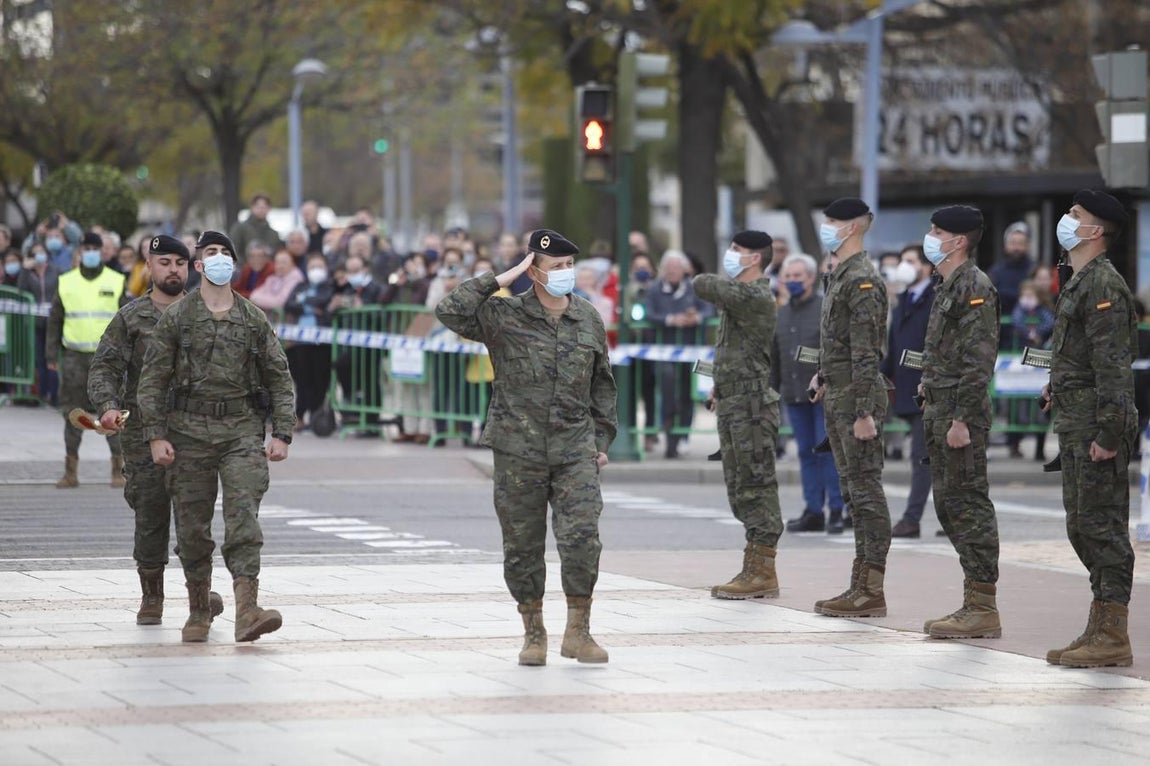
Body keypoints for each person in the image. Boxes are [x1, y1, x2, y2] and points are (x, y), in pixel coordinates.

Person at [435, 228, 617, 666]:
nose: (566, 273)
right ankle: (533, 632)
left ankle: (579, 631)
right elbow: (449, 310)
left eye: (570, 266)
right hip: (519, 447)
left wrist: (602, 438)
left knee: (581, 538)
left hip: (575, 446)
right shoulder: (505, 315)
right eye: (556, 267)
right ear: (534, 271)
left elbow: (603, 384)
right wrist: (502, 276)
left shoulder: (588, 317)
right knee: (522, 544)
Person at [136, 230, 295, 644]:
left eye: (227, 253)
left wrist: (282, 432)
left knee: (243, 516)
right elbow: (152, 381)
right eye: (211, 253)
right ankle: (198, 609)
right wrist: (155, 436)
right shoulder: (178, 317)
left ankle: (247, 610)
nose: (220, 258)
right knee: (192, 527)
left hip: (241, 430)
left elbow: (278, 377)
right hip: (188, 432)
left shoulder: (253, 317)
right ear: (200, 264)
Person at [87, 236, 225, 626]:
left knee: (194, 518)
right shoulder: (131, 318)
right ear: (149, 267)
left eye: (181, 263)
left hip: (196, 432)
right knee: (150, 513)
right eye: (165, 262)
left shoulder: (209, 312)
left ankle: (200, 596)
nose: (173, 270)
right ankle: (152, 597)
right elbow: (104, 368)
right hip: (144, 433)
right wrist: (109, 406)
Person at [1041, 190, 1136, 668]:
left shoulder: (1103, 286)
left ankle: (1114, 633)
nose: (1065, 220)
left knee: (1103, 528)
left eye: (1074, 216)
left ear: (1095, 232)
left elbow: (1114, 369)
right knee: (1082, 525)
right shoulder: (1079, 281)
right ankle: (1099, 622)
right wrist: (1055, 385)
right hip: (1077, 422)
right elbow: (1080, 359)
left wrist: (1109, 434)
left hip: (1098, 428)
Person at [915, 205, 1002, 639]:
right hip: (941, 409)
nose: (930, 236)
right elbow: (946, 352)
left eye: (937, 231)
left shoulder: (974, 285)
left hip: (958, 417)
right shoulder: (946, 283)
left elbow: (978, 359)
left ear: (959, 241)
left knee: (968, 505)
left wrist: (963, 418)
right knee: (949, 505)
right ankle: (973, 601)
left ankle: (983, 605)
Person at [808, 197, 891, 618]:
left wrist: (863, 413)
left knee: (866, 492)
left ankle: (871, 588)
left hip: (856, 400)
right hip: (839, 394)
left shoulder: (861, 279)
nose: (827, 228)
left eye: (834, 222)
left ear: (855, 227)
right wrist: (822, 374)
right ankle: (859, 584)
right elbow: (838, 342)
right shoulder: (840, 274)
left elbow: (865, 352)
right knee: (852, 494)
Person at [693, 231, 783, 599]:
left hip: (753, 406)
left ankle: (763, 570)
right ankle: (754, 566)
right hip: (735, 401)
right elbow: (734, 350)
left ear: (755, 259)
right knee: (740, 487)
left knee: (756, 486)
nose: (730, 255)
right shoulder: (739, 300)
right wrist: (720, 383)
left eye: (737, 250)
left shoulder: (755, 296)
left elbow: (702, 282)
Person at [46, 231, 128, 488]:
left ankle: (119, 469)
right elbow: (55, 320)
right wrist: (51, 353)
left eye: (96, 247)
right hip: (73, 358)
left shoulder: (116, 280)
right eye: (87, 248)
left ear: (102, 251)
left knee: (112, 412)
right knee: (72, 413)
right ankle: (71, 471)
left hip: (108, 360)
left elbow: (127, 320)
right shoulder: (65, 282)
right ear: (80, 251)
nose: (92, 252)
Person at [774, 254, 845, 535]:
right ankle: (813, 509)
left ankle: (837, 509)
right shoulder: (781, 313)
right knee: (805, 452)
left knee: (826, 452)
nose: (792, 281)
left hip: (823, 394)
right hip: (794, 393)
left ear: (811, 278)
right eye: (788, 277)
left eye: (798, 277)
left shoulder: (824, 308)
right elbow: (776, 355)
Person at [885, 244, 937, 539]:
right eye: (902, 260)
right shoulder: (903, 299)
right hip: (904, 391)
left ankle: (911, 519)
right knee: (931, 458)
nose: (903, 266)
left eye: (910, 261)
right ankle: (952, 517)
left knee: (922, 457)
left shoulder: (934, 299)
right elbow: (894, 348)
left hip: (926, 391)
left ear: (926, 267)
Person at [646, 250, 713, 458]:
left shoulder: (694, 288)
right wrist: (670, 320)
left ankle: (682, 436)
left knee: (686, 392)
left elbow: (709, 310)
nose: (672, 271)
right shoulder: (654, 289)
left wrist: (697, 318)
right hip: (664, 350)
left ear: (684, 269)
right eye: (669, 268)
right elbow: (648, 313)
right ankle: (668, 427)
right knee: (668, 385)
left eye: (676, 267)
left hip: (690, 349)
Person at [284, 254, 336, 430]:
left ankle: (316, 415)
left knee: (320, 379)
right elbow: (288, 304)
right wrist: (310, 306)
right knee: (302, 379)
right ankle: (299, 415)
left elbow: (324, 301)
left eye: (319, 266)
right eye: (312, 266)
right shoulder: (300, 286)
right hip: (300, 340)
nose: (316, 270)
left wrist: (303, 301)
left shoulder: (329, 286)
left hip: (322, 340)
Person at [1007, 278, 1056, 461]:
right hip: (1020, 365)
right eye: (1024, 295)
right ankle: (1014, 444)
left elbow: (1050, 322)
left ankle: (1039, 448)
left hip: (1041, 366)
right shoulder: (1019, 310)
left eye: (1030, 295)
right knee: (1017, 406)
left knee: (1041, 409)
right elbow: (1016, 320)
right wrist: (1030, 334)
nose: (1026, 298)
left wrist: (1039, 334)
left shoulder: (1044, 311)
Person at [17, 243, 60, 404]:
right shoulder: (29, 273)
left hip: (53, 321)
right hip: (35, 322)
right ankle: (42, 393)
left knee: (52, 357)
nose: (39, 255)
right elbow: (21, 290)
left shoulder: (54, 270)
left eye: (41, 251)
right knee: (39, 358)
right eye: (35, 253)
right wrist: (24, 269)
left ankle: (55, 395)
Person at [989, 221, 1034, 347]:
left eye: (1020, 244)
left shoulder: (1033, 271)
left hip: (1029, 336)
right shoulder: (995, 272)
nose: (1016, 248)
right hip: (1001, 336)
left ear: (1028, 246)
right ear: (1005, 246)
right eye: (1013, 243)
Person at [229, 194, 284, 263]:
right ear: (252, 207)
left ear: (269, 209)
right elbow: (232, 251)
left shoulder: (274, 234)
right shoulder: (240, 229)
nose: (261, 210)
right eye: (258, 207)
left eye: (264, 207)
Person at [250, 248, 304, 316]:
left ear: (292, 264)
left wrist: (264, 299)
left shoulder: (296, 279)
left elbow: (281, 302)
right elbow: (253, 295)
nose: (280, 266)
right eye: (277, 262)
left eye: (284, 262)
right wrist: (271, 300)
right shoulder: (272, 279)